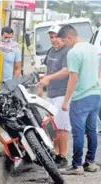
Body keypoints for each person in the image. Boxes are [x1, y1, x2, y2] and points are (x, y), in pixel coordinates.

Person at [57, 25, 101, 175]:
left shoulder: (73, 52)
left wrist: (65, 100)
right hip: (95, 95)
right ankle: (90, 162)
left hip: (80, 98)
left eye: (64, 40)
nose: (64, 44)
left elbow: (73, 78)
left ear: (69, 37)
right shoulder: (92, 48)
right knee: (92, 131)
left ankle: (77, 166)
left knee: (78, 133)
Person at [37, 25, 70, 168]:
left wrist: (49, 78)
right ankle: (56, 154)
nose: (54, 40)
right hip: (51, 93)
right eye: (51, 37)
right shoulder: (51, 51)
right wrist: (41, 86)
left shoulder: (67, 52)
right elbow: (48, 70)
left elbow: (66, 71)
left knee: (62, 127)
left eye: (56, 36)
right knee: (53, 126)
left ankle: (62, 155)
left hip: (62, 93)